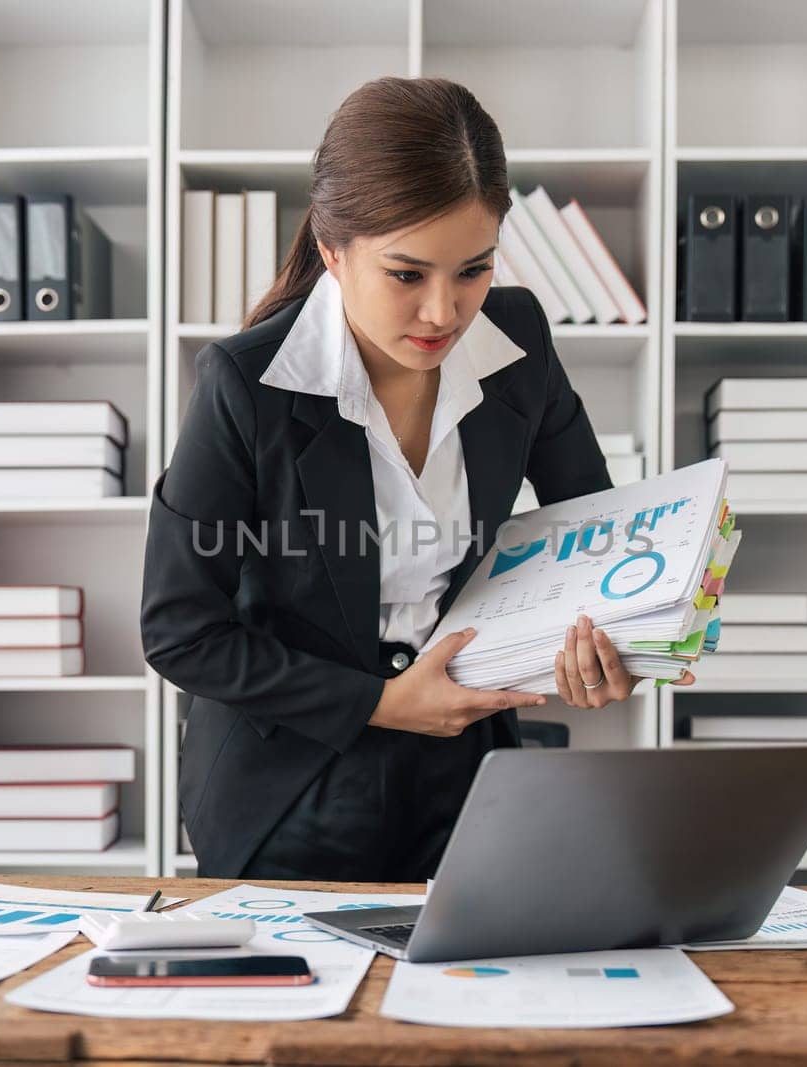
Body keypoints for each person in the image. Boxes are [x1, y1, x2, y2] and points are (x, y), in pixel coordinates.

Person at [141, 76, 694, 882]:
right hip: (292, 777)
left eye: (472, 270)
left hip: (469, 763)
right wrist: (384, 703)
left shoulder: (521, 340)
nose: (444, 311)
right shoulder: (244, 383)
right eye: (407, 275)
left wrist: (611, 642)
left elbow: (596, 533)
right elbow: (180, 630)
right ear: (334, 251)